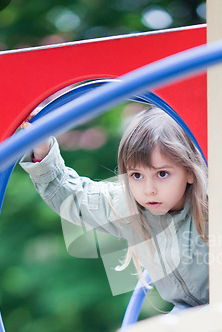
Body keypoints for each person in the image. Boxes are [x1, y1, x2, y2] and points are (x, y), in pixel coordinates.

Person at [20, 107, 209, 311]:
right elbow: (71, 196)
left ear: (189, 172)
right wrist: (42, 150)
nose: (149, 190)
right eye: (137, 175)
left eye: (162, 174)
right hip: (186, 314)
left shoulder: (218, 202)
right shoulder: (126, 206)